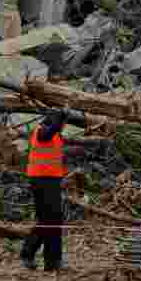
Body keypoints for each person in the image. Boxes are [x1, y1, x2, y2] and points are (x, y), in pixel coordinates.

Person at [20, 110, 86, 272]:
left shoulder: (53, 135)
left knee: (48, 220)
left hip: (50, 181)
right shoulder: (42, 131)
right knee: (53, 220)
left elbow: (53, 152)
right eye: (62, 124)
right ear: (55, 122)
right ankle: (53, 262)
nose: (63, 127)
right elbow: (48, 135)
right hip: (42, 181)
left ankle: (29, 253)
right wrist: (62, 117)